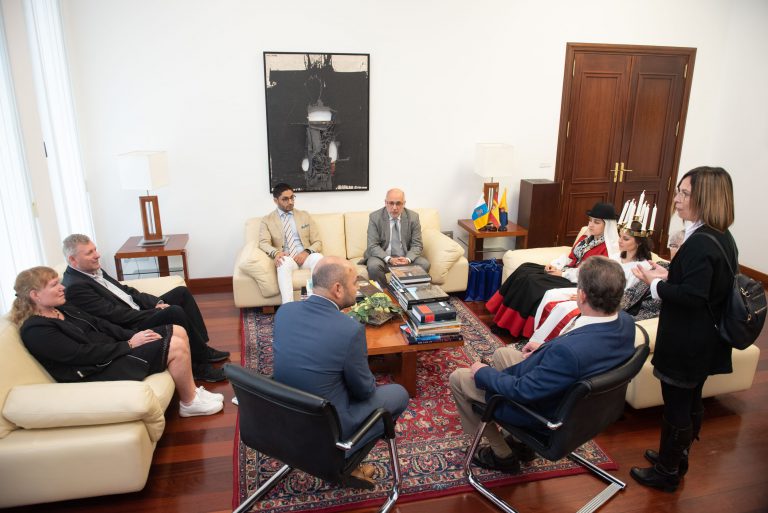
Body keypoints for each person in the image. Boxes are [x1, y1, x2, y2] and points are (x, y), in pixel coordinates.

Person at [449, 256, 636, 473]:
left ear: (582, 295)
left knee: (459, 378)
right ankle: (520, 444)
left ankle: (502, 455)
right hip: (586, 405)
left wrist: (483, 372)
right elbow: (583, 351)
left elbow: (523, 391)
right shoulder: (625, 322)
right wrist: (544, 349)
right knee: (502, 354)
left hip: (544, 412)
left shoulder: (568, 352)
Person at [629, 167, 737, 492]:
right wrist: (668, 274)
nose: (676, 198)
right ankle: (676, 458)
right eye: (678, 190)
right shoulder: (721, 237)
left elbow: (692, 297)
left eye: (684, 193)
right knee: (690, 401)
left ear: (705, 198)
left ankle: (667, 472)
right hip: (704, 338)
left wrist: (655, 284)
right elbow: (700, 284)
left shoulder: (701, 243)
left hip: (688, 340)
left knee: (677, 405)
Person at [11, 267, 224, 417]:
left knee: (177, 330)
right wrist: (129, 345)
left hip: (112, 351)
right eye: (54, 285)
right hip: (97, 369)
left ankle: (193, 391)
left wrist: (131, 336)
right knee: (175, 346)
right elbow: (80, 354)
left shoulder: (61, 308)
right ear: (35, 295)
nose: (62, 287)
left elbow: (100, 324)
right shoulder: (36, 329)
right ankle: (189, 403)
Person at [272, 256, 409, 481]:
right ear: (337, 289)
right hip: (328, 428)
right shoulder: (350, 329)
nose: (357, 288)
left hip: (284, 417)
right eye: (355, 283)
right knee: (399, 393)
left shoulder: (284, 312)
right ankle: (347, 457)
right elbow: (364, 391)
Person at [60, 234, 228, 383]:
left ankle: (202, 349)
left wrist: (156, 302)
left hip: (137, 311)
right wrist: (155, 312)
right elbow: (113, 314)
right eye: (89, 253)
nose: (97, 255)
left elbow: (126, 291)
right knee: (174, 311)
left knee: (181, 293)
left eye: (95, 249)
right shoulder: (75, 287)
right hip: (130, 325)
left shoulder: (92, 270)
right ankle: (199, 368)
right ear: (73, 260)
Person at [486, 202, 620, 338]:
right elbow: (571, 257)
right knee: (525, 269)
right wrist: (555, 265)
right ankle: (503, 320)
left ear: (607, 225)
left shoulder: (608, 249)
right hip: (565, 271)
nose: (591, 225)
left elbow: (592, 275)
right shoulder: (586, 238)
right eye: (590, 220)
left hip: (578, 281)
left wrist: (562, 274)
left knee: (534, 282)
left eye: (596, 222)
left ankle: (515, 328)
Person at [258, 183, 323, 304]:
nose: (290, 202)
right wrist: (276, 253)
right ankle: (288, 306)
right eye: (285, 199)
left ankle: (318, 303)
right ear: (276, 201)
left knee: (319, 258)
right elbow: (263, 243)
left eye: (292, 197)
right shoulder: (267, 220)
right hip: (288, 258)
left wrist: (306, 252)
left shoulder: (304, 215)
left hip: (305, 257)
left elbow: (317, 242)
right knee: (282, 262)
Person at [362, 188, 430, 287]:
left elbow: (417, 244)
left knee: (424, 264)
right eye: (391, 203)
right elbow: (372, 245)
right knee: (373, 266)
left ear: (404, 204)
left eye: (398, 203)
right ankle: (385, 294)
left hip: (404, 257)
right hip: (382, 258)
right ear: (386, 203)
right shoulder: (375, 217)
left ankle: (408, 291)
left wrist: (408, 259)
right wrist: (389, 259)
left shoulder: (413, 217)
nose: (394, 207)